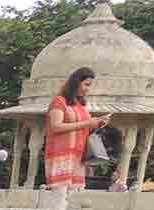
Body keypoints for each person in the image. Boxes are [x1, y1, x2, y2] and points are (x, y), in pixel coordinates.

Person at [46, 67, 108, 197]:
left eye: (89, 86)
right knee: (59, 199)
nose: (87, 89)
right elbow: (55, 127)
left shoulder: (81, 105)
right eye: (86, 84)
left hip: (78, 157)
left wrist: (97, 124)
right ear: (76, 82)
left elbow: (84, 128)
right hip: (62, 156)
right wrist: (87, 123)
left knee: (73, 199)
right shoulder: (60, 101)